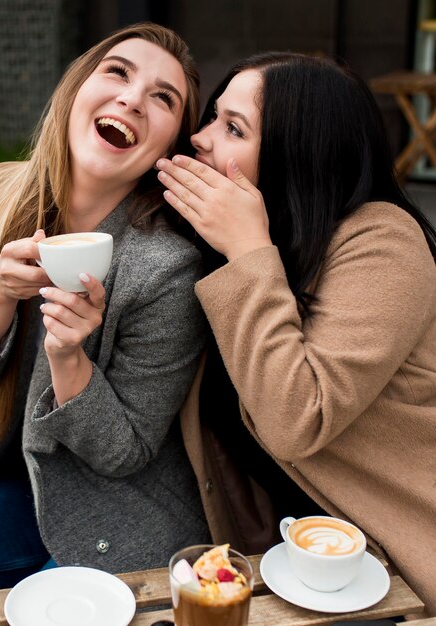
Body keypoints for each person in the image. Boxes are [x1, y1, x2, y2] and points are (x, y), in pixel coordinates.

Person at [0, 22, 211, 597]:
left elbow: (125, 452)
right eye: (117, 72)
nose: (132, 99)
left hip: (119, 511)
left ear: (170, 147)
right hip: (14, 481)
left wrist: (69, 358)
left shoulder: (166, 267)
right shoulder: (3, 195)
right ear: (75, 88)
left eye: (164, 98)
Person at [156, 52, 436, 614]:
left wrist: (248, 250)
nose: (200, 138)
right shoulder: (243, 243)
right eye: (212, 117)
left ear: (297, 154)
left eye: (232, 127)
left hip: (397, 571)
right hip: (293, 568)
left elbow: (294, 420)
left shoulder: (383, 241)